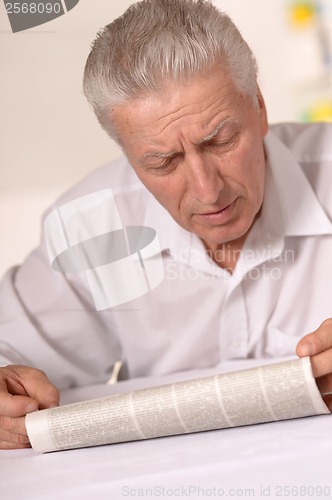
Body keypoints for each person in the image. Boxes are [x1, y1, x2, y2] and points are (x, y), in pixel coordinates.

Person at [0, 0, 331, 450]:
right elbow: (10, 351)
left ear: (260, 108)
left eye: (221, 140)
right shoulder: (91, 226)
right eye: (162, 162)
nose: (206, 189)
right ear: (128, 156)